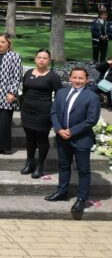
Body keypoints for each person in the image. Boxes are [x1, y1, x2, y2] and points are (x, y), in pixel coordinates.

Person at [45, 67, 101, 221]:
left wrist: (71, 130)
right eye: (75, 77)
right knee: (63, 166)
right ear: (70, 78)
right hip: (62, 137)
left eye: (81, 78)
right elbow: (54, 112)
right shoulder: (62, 93)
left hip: (81, 139)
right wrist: (59, 129)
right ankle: (62, 191)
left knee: (83, 170)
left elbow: (91, 120)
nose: (77, 81)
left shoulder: (92, 97)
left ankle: (82, 199)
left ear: (87, 80)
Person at [20, 49, 62, 179]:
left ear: (49, 60)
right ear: (35, 59)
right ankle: (29, 162)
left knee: (42, 139)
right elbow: (24, 89)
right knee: (30, 138)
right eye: (39, 57)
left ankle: (40, 165)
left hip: (43, 113)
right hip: (27, 112)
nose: (41, 60)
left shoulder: (52, 76)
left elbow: (60, 95)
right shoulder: (28, 73)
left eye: (44, 58)